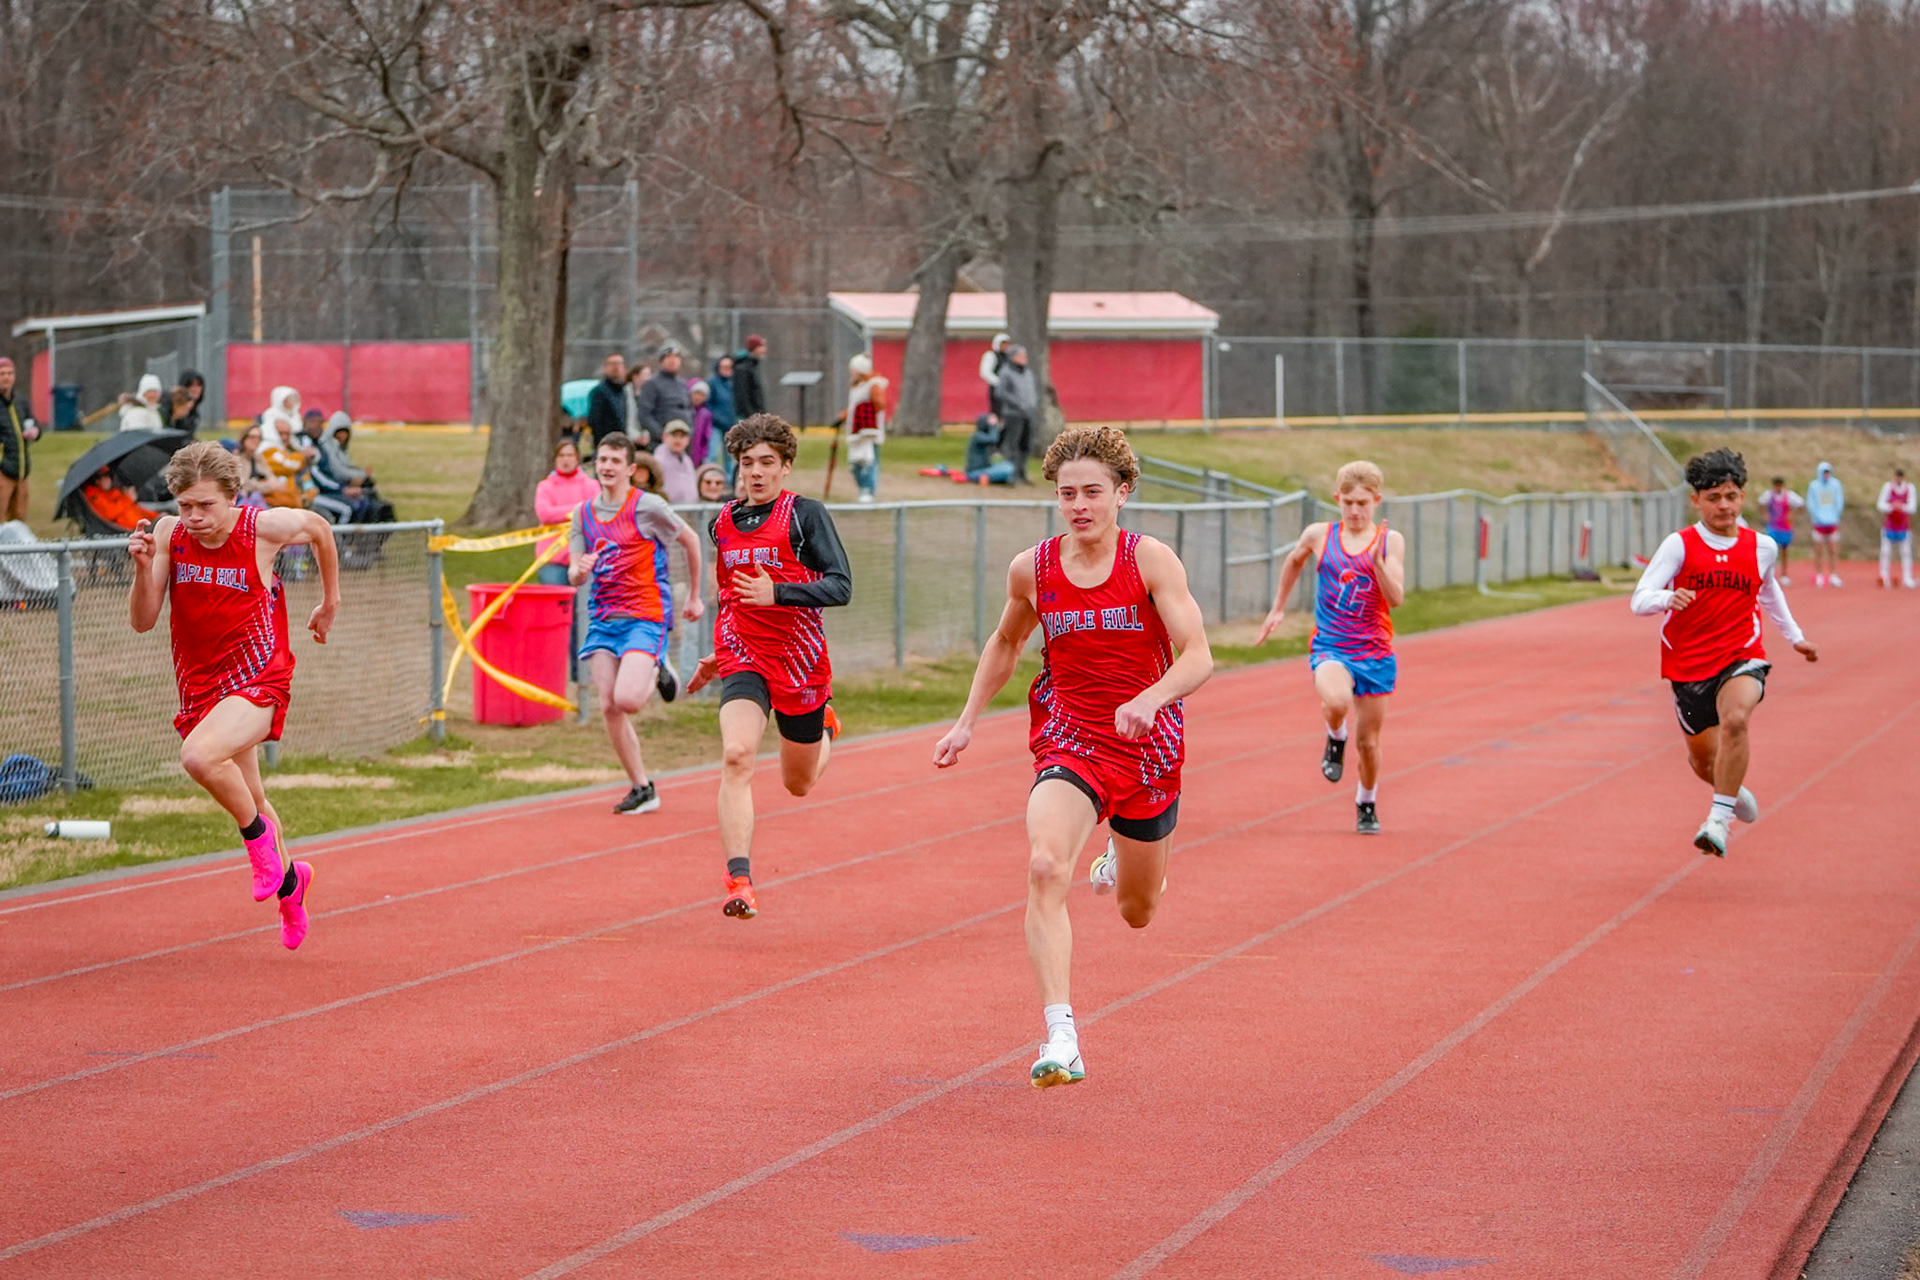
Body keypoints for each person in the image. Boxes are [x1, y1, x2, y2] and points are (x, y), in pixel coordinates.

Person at [933, 426, 1212, 1089]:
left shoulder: (1151, 561)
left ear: (1122, 492)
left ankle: (1118, 851)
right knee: (1043, 866)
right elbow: (1006, 643)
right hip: (1072, 737)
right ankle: (1061, 1033)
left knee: (1138, 910)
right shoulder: (1033, 569)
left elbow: (1198, 655)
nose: (1079, 505)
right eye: (1067, 494)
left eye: (1092, 492)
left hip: (1146, 748)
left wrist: (1152, 697)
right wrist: (967, 722)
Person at [126, 440, 339, 949]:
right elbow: (143, 621)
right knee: (254, 797)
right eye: (185, 505)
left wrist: (330, 600)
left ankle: (258, 843)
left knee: (198, 756)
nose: (194, 517)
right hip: (203, 687)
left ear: (232, 497)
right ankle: (291, 885)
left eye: (206, 505)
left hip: (259, 677)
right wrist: (142, 568)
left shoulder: (262, 529)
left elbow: (319, 527)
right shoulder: (169, 534)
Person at [684, 414, 852, 920]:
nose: (756, 472)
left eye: (766, 462)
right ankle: (739, 882)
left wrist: (777, 592)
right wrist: (718, 655)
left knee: (798, 783)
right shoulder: (722, 523)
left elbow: (840, 586)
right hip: (743, 654)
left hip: (799, 662)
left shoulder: (805, 515)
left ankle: (825, 726)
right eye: (747, 463)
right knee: (737, 755)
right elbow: (731, 596)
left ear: (785, 466)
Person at [1631, 448, 1817, 857]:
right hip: (1689, 664)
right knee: (1703, 763)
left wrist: (1795, 637)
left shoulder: (1762, 547)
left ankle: (1717, 819)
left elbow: (1769, 591)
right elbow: (1639, 599)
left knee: (1735, 718)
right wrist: (1666, 597)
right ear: (1696, 500)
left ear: (1743, 496)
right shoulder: (1679, 545)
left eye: (1731, 496)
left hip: (1741, 654)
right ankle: (1733, 791)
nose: (1724, 506)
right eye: (1713, 498)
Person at [1256, 460, 1406, 835]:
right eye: (1348, 503)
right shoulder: (1320, 535)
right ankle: (1335, 735)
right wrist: (1278, 608)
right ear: (1337, 499)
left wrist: (1378, 565)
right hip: (1331, 647)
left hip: (1374, 653)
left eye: (1363, 504)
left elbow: (1396, 598)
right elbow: (1294, 561)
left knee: (1368, 743)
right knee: (1337, 702)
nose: (1355, 511)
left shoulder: (1390, 541)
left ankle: (1366, 802)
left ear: (1376, 501)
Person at [568, 434, 705, 816]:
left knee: (628, 700)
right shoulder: (583, 513)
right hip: (603, 619)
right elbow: (574, 573)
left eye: (615, 461)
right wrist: (579, 570)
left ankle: (659, 667)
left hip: (645, 614)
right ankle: (642, 788)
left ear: (630, 468)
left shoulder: (647, 506)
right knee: (609, 706)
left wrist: (694, 596)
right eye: (602, 460)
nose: (607, 466)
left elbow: (692, 541)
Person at [535, 436, 597, 587]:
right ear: (555, 459)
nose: (565, 460)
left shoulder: (591, 485)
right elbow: (545, 514)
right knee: (556, 600)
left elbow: (595, 511)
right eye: (561, 455)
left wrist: (561, 513)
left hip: (584, 558)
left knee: (585, 602)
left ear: (577, 458)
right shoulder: (545, 486)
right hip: (552, 557)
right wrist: (578, 508)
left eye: (570, 455)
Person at [841, 353, 889, 503]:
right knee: (856, 462)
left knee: (868, 461)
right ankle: (862, 488)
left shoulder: (873, 386)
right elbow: (853, 407)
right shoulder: (856, 387)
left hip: (869, 432)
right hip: (856, 431)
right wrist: (844, 416)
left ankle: (868, 490)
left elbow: (880, 405)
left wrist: (865, 412)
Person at [0, 356, 39, 524]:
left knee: (19, 522)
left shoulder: (21, 401)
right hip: (3, 472)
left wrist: (35, 431)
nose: (6, 377)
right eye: (2, 374)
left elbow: (34, 423)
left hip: (22, 471)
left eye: (10, 373)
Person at [996, 345, 1039, 484]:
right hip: (1013, 414)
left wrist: (1032, 404)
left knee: (1025, 445)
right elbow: (1000, 392)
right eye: (1022, 355)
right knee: (1012, 444)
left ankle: (1021, 473)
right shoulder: (1006, 372)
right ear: (1013, 357)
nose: (1025, 358)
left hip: (1028, 413)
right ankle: (1010, 474)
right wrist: (1017, 403)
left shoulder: (1028, 373)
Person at [639, 343, 693, 449]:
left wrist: (689, 433)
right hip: (660, 444)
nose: (673, 361)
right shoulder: (652, 384)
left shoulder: (683, 385)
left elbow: (690, 411)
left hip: (682, 443)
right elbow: (645, 414)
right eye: (669, 357)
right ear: (662, 361)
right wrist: (661, 435)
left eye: (676, 357)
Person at [82, 466, 161, 530]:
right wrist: (129, 498)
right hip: (131, 529)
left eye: (108, 475)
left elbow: (136, 508)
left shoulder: (114, 492)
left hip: (142, 523)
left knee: (163, 518)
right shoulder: (93, 495)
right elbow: (110, 513)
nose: (107, 479)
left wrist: (155, 516)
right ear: (96, 480)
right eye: (103, 476)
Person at [1758, 477, 1804, 585]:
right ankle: (1769, 575)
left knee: (1784, 551)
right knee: (1771, 551)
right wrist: (1766, 515)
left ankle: (1784, 574)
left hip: (1785, 527)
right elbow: (1760, 503)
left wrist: (1793, 516)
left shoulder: (1789, 496)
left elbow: (1801, 504)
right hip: (1773, 527)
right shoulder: (1769, 495)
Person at [1807, 461, 1845, 588]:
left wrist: (1835, 516)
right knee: (1818, 550)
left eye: (1828, 472)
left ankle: (1833, 574)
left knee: (1832, 549)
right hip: (1819, 522)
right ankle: (1819, 574)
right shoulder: (1814, 485)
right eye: (1824, 473)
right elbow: (1811, 503)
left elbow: (1839, 501)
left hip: (1832, 522)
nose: (1826, 475)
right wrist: (1816, 517)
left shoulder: (1835, 484)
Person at [1878, 467, 1917, 589]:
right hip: (1889, 526)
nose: (1898, 479)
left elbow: (1913, 507)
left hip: (1903, 526)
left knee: (1906, 552)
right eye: (1897, 476)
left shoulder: (1910, 488)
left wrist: (1901, 507)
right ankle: (1884, 576)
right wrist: (1892, 506)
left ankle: (1907, 578)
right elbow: (1880, 504)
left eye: (1900, 476)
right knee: (1885, 552)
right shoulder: (1888, 487)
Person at [586, 353, 629, 447]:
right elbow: (594, 421)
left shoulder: (624, 392)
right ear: (605, 368)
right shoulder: (599, 392)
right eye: (612, 364)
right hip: (605, 443)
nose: (616, 367)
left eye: (619, 364)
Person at [656, 420, 699, 504]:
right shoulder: (658, 461)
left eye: (682, 436)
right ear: (664, 437)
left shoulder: (687, 460)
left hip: (689, 508)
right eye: (674, 435)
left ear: (688, 440)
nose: (678, 440)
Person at [733, 335, 769, 419]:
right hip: (748, 416)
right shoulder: (742, 368)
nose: (764, 350)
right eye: (761, 347)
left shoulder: (753, 366)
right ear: (754, 348)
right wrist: (751, 414)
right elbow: (743, 394)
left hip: (755, 414)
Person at [979, 332, 1012, 416]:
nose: (1006, 346)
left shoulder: (1009, 357)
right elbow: (985, 372)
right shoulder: (991, 356)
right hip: (997, 389)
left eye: (1007, 344)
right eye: (1003, 344)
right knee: (997, 411)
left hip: (1010, 389)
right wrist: (999, 382)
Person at [163, 370, 205, 437]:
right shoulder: (166, 408)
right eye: (191, 385)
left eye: (198, 385)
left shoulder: (194, 414)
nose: (195, 389)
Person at [687, 379, 718, 467]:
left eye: (702, 395)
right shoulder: (685, 411)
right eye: (696, 393)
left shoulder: (705, 414)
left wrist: (703, 455)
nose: (698, 397)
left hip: (698, 454)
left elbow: (706, 437)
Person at [260, 386, 301, 450]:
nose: (291, 402)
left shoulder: (295, 415)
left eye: (293, 399)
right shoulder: (271, 414)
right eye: (287, 400)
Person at [709, 355, 738, 443]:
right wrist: (716, 418)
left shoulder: (736, 383)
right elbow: (708, 404)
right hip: (715, 425)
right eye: (724, 367)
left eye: (729, 367)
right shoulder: (712, 383)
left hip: (732, 425)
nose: (727, 369)